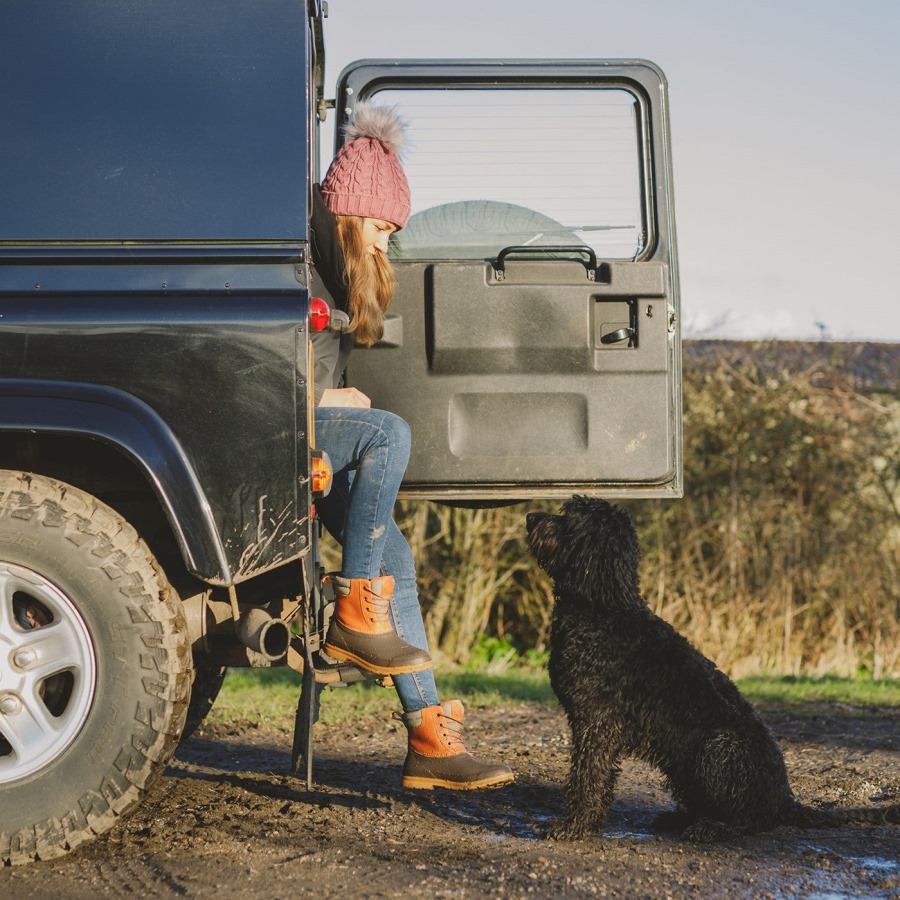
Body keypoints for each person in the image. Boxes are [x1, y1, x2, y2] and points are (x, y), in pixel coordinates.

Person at [310, 103, 513, 791]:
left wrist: (330, 395)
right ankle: (353, 609)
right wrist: (321, 399)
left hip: (316, 434)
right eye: (381, 228)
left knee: (395, 558)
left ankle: (430, 737)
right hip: (287, 429)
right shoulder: (295, 259)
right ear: (349, 212)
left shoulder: (334, 269)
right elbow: (253, 364)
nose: (385, 246)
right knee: (388, 432)